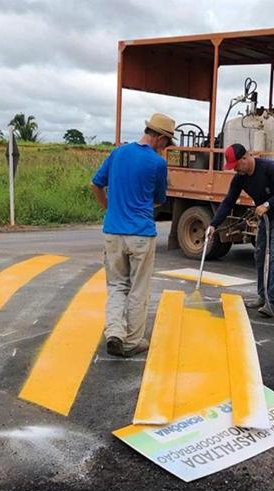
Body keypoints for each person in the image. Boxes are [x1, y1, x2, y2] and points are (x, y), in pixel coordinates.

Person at [90, 113, 175, 357]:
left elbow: (96, 184)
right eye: (167, 142)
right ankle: (132, 341)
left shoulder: (118, 153)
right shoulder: (157, 163)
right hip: (140, 234)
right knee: (138, 288)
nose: (166, 148)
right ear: (158, 137)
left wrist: (109, 207)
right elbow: (159, 200)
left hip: (113, 232)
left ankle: (115, 332)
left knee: (116, 285)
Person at [207, 144, 274, 317]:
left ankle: (272, 302)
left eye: (236, 165)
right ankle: (262, 296)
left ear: (245, 158)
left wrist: (268, 204)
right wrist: (213, 224)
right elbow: (228, 202)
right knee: (260, 253)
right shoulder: (240, 178)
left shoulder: (269, 167)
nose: (235, 170)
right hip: (265, 216)